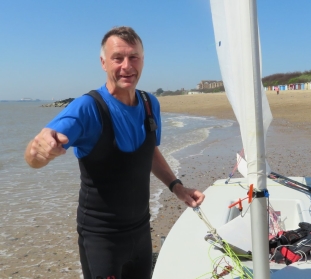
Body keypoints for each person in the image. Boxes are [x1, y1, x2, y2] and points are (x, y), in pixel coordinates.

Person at [24, 26, 205, 279]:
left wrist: (177, 187)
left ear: (143, 60)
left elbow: (149, 152)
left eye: (134, 57)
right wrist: (38, 149)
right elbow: (35, 155)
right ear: (103, 62)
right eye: (117, 58)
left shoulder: (149, 104)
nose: (126, 66)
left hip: (141, 230)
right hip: (101, 239)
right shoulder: (88, 107)